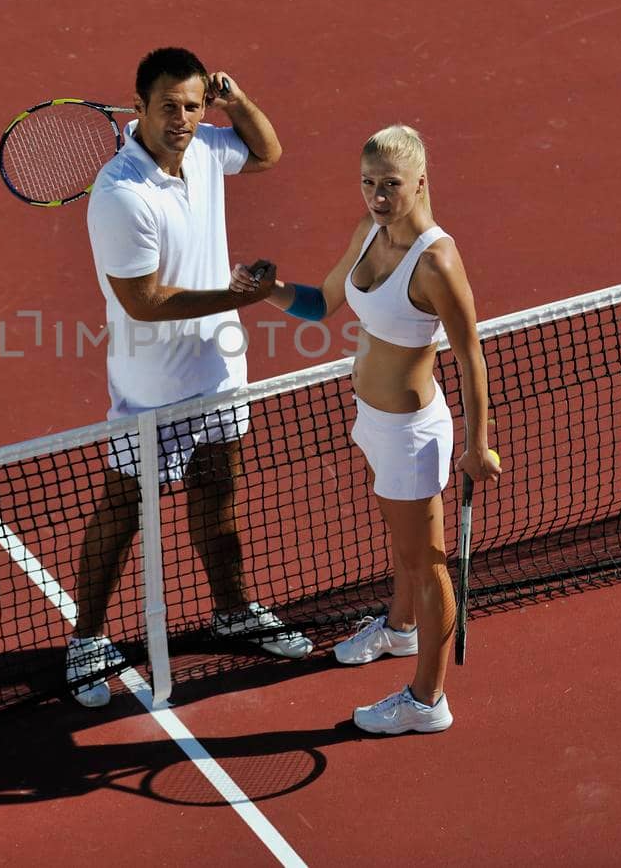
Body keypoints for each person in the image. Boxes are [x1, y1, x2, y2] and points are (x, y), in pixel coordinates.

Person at [232, 124, 500, 734]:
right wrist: (267, 290)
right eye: (368, 183)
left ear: (422, 182)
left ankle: (428, 700)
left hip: (411, 432)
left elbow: (471, 357)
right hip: (374, 422)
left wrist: (478, 443)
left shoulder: (436, 261)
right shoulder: (368, 234)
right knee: (402, 546)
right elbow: (322, 303)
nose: (377, 196)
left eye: (391, 184)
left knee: (427, 561)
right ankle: (401, 629)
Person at [67, 47, 313, 708]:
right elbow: (143, 301)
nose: (182, 118)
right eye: (169, 106)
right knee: (123, 511)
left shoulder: (205, 146)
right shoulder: (121, 196)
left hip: (220, 371)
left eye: (193, 104)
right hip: (150, 390)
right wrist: (239, 296)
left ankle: (231, 610)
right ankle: (87, 638)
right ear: (139, 107)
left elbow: (267, 153)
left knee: (218, 494)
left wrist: (237, 100)